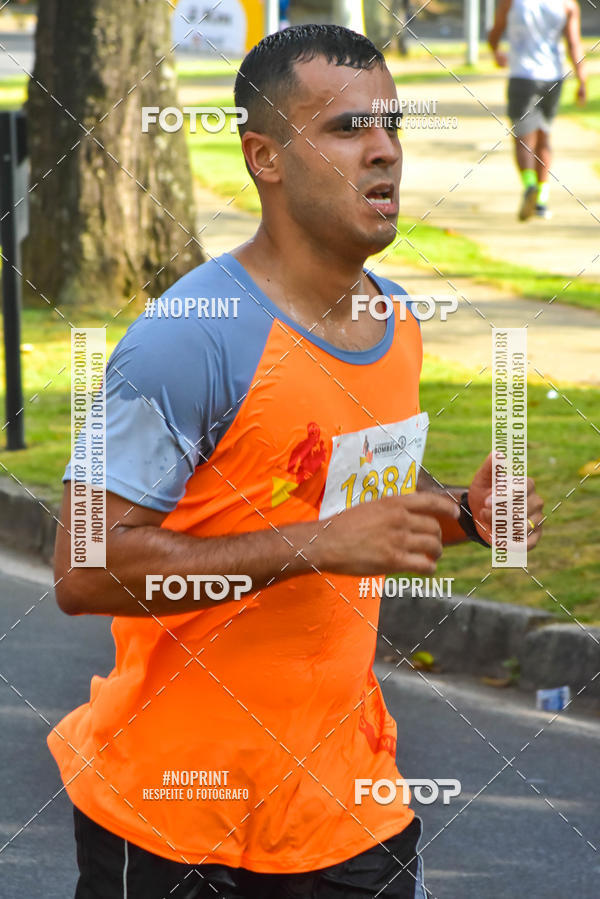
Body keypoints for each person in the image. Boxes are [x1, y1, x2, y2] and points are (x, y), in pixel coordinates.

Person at [52, 24, 544, 899]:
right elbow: (86, 565)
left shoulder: (396, 323)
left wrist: (462, 516)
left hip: (345, 809)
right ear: (265, 157)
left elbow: (348, 491)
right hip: (176, 820)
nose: (385, 149)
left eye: (391, 124)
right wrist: (317, 543)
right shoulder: (187, 338)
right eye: (347, 128)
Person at [488, 0, 587, 221]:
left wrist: (496, 52)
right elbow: (574, 43)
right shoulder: (567, 4)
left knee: (523, 139)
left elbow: (495, 32)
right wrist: (582, 78)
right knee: (544, 136)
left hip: (522, 76)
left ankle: (530, 185)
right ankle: (542, 200)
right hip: (554, 77)